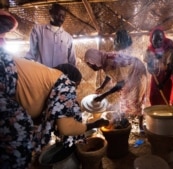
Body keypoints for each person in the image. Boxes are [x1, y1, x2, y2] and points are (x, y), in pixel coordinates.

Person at [0, 11, 109, 168]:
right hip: (4, 73)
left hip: (5, 72)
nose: (74, 91)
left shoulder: (43, 76)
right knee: (18, 137)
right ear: (70, 80)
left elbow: (47, 115)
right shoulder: (62, 81)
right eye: (76, 86)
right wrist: (93, 125)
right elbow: (66, 127)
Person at [84, 48, 147, 131]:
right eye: (89, 65)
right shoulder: (104, 60)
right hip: (128, 74)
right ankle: (122, 120)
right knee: (124, 97)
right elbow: (109, 74)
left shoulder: (109, 61)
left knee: (136, 98)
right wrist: (102, 87)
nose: (91, 67)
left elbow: (121, 84)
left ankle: (141, 127)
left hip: (137, 71)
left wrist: (103, 95)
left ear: (95, 60)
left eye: (91, 64)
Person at [25, 3, 76, 67]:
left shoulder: (68, 38)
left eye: (63, 16)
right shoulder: (38, 30)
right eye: (58, 14)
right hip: (42, 74)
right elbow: (31, 54)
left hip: (61, 75)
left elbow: (72, 62)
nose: (60, 18)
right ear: (51, 13)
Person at [144, 27, 173, 106]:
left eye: (160, 39)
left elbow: (170, 69)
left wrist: (163, 83)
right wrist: (150, 69)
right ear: (151, 39)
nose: (158, 42)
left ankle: (166, 117)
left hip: (167, 78)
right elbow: (149, 67)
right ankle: (156, 117)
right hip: (155, 78)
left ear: (163, 39)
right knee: (153, 98)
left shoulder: (169, 49)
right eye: (155, 40)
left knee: (166, 99)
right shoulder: (149, 51)